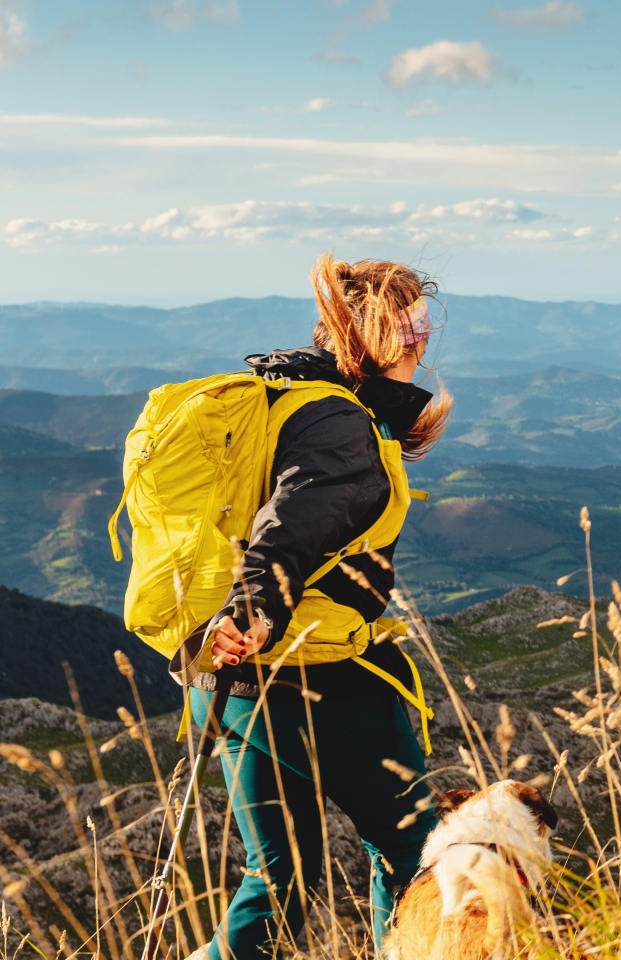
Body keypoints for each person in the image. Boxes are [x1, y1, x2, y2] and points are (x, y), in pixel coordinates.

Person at [186, 255, 452, 959]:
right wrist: (255, 607)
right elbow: (292, 525)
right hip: (317, 675)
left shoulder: (294, 400)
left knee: (279, 881)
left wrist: (241, 620)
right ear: (377, 337)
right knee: (413, 856)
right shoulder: (339, 424)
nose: (425, 341)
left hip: (233, 676)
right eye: (414, 325)